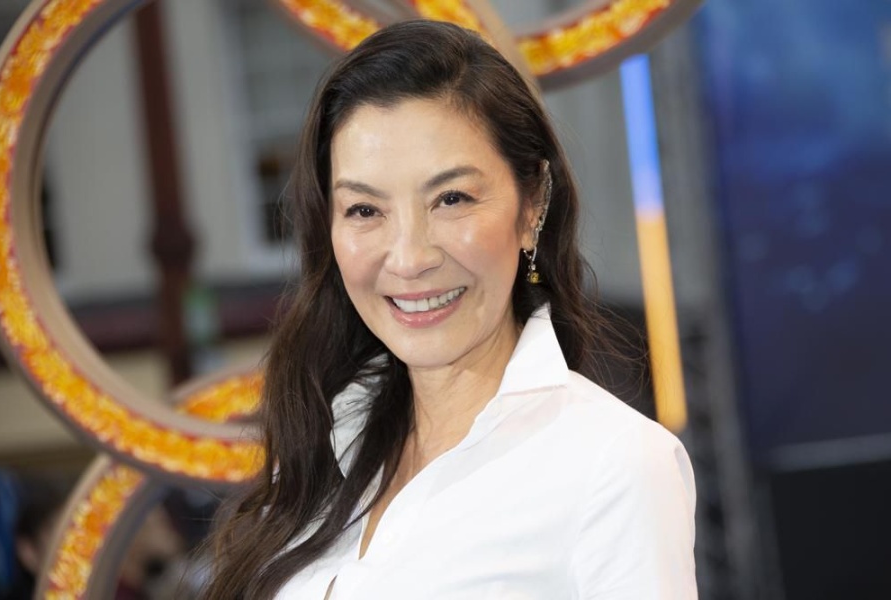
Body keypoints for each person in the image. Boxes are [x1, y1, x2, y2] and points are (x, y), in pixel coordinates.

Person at [203, 19, 696, 599]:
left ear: (532, 204)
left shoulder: (615, 464)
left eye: (452, 199)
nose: (409, 258)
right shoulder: (326, 441)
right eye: (365, 210)